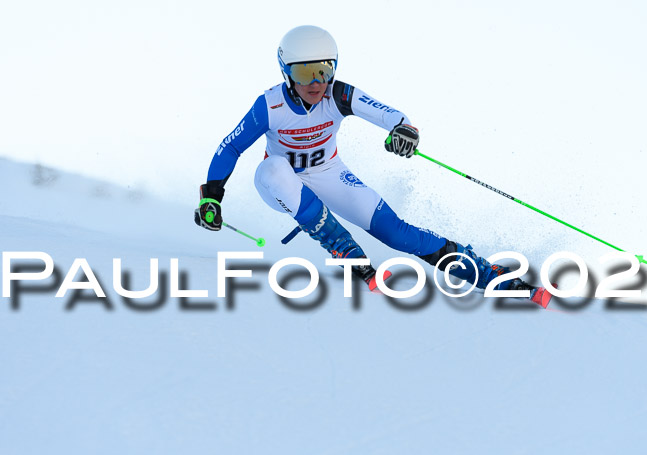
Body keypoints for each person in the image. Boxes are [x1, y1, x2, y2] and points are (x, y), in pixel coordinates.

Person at [195, 25, 552, 307]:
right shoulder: (269, 105)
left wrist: (403, 130)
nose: (316, 83)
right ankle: (345, 249)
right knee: (272, 169)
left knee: (395, 232)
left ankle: (488, 274)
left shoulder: (338, 93)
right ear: (286, 72)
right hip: (281, 185)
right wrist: (211, 197)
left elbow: (389, 114)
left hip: (328, 174)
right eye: (305, 74)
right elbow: (231, 147)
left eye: (324, 70)